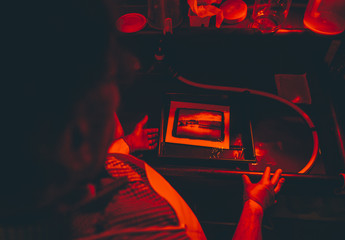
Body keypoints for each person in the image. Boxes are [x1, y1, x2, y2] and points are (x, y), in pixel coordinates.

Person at [1, 0, 284, 239]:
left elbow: (102, 159)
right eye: (109, 77)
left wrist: (126, 144)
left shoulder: (46, 179)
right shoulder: (157, 231)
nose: (132, 67)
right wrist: (254, 207)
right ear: (76, 131)